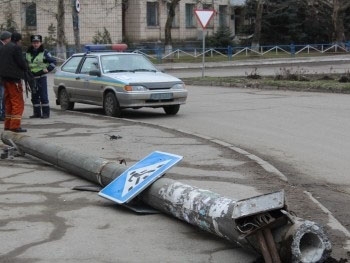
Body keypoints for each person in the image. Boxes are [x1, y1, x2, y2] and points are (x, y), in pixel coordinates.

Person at [0, 32, 28, 132]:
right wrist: (26, 68)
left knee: (8, 102)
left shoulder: (3, 47)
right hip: (14, 79)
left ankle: (8, 124)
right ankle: (15, 126)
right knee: (17, 102)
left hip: (4, 79)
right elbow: (21, 62)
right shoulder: (15, 48)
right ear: (18, 40)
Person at [26, 34, 56, 118]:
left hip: (41, 77)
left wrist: (48, 69)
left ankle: (46, 113)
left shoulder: (45, 52)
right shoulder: (28, 52)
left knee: (43, 96)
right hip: (32, 78)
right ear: (32, 43)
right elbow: (25, 63)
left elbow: (53, 62)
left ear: (40, 43)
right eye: (34, 42)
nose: (35, 44)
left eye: (37, 42)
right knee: (34, 96)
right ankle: (37, 113)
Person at [0, 31, 12, 122]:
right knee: (2, 96)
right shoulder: (2, 48)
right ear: (7, 39)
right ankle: (1, 114)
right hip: (2, 77)